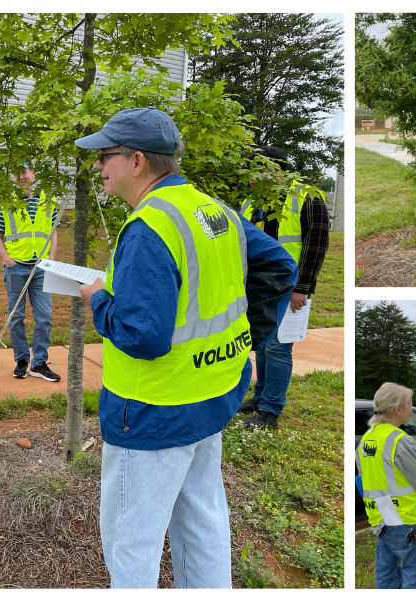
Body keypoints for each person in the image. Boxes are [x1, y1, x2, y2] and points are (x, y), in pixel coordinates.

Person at [74, 108, 296, 588]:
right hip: (212, 394)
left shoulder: (149, 227)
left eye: (105, 157)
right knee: (203, 523)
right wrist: (243, 338)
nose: (98, 167)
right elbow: (280, 267)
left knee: (132, 539)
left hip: (153, 409)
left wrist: (97, 299)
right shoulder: (214, 209)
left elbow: (142, 336)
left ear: (136, 162)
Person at [237, 146, 329, 429]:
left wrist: (303, 287)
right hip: (258, 288)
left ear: (274, 170)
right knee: (262, 346)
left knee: (278, 348)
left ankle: (269, 411)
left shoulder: (307, 196)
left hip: (289, 288)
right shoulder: (250, 203)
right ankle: (261, 396)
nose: (250, 180)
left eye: (255, 173)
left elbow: (317, 244)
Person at [357, 383, 416, 589]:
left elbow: (362, 478)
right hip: (408, 520)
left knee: (387, 578)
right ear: (397, 409)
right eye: (410, 405)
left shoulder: (367, 439)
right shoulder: (400, 442)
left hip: (381, 520)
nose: (412, 410)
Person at [0, 166, 60, 382]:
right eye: (17, 172)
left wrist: (51, 257)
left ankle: (39, 363)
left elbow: (52, 230)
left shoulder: (48, 200)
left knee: (44, 316)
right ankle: (22, 360)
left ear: (34, 174)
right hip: (16, 267)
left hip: (40, 267)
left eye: (26, 171)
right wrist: (6, 260)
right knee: (16, 316)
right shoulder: (7, 201)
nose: (21, 175)